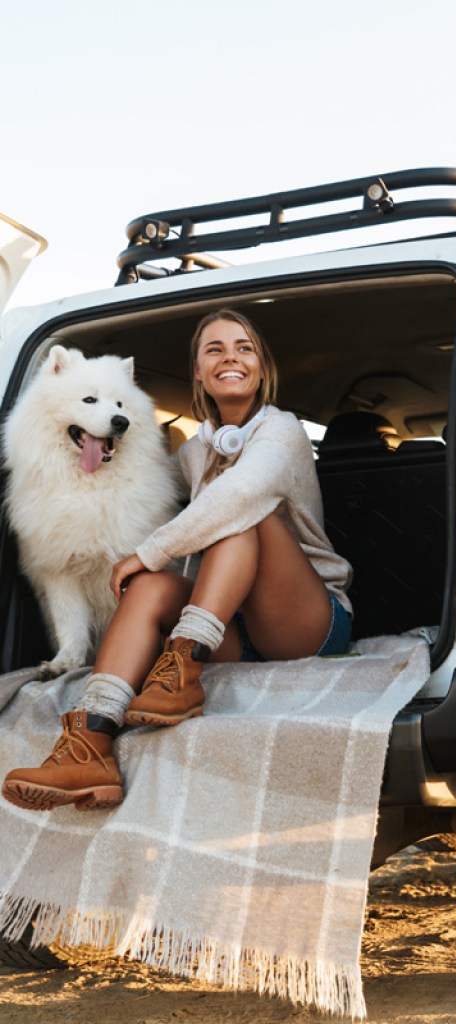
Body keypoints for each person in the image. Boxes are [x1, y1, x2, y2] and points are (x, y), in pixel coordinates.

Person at [2, 309, 353, 812]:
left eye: (243, 348)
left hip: (304, 623)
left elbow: (240, 495)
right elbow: (144, 479)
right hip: (233, 633)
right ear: (198, 372)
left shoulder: (284, 431)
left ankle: (179, 670)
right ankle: (89, 742)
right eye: (214, 350)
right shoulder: (196, 452)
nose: (229, 357)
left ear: (261, 367)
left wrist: (149, 550)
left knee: (243, 515)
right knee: (147, 586)